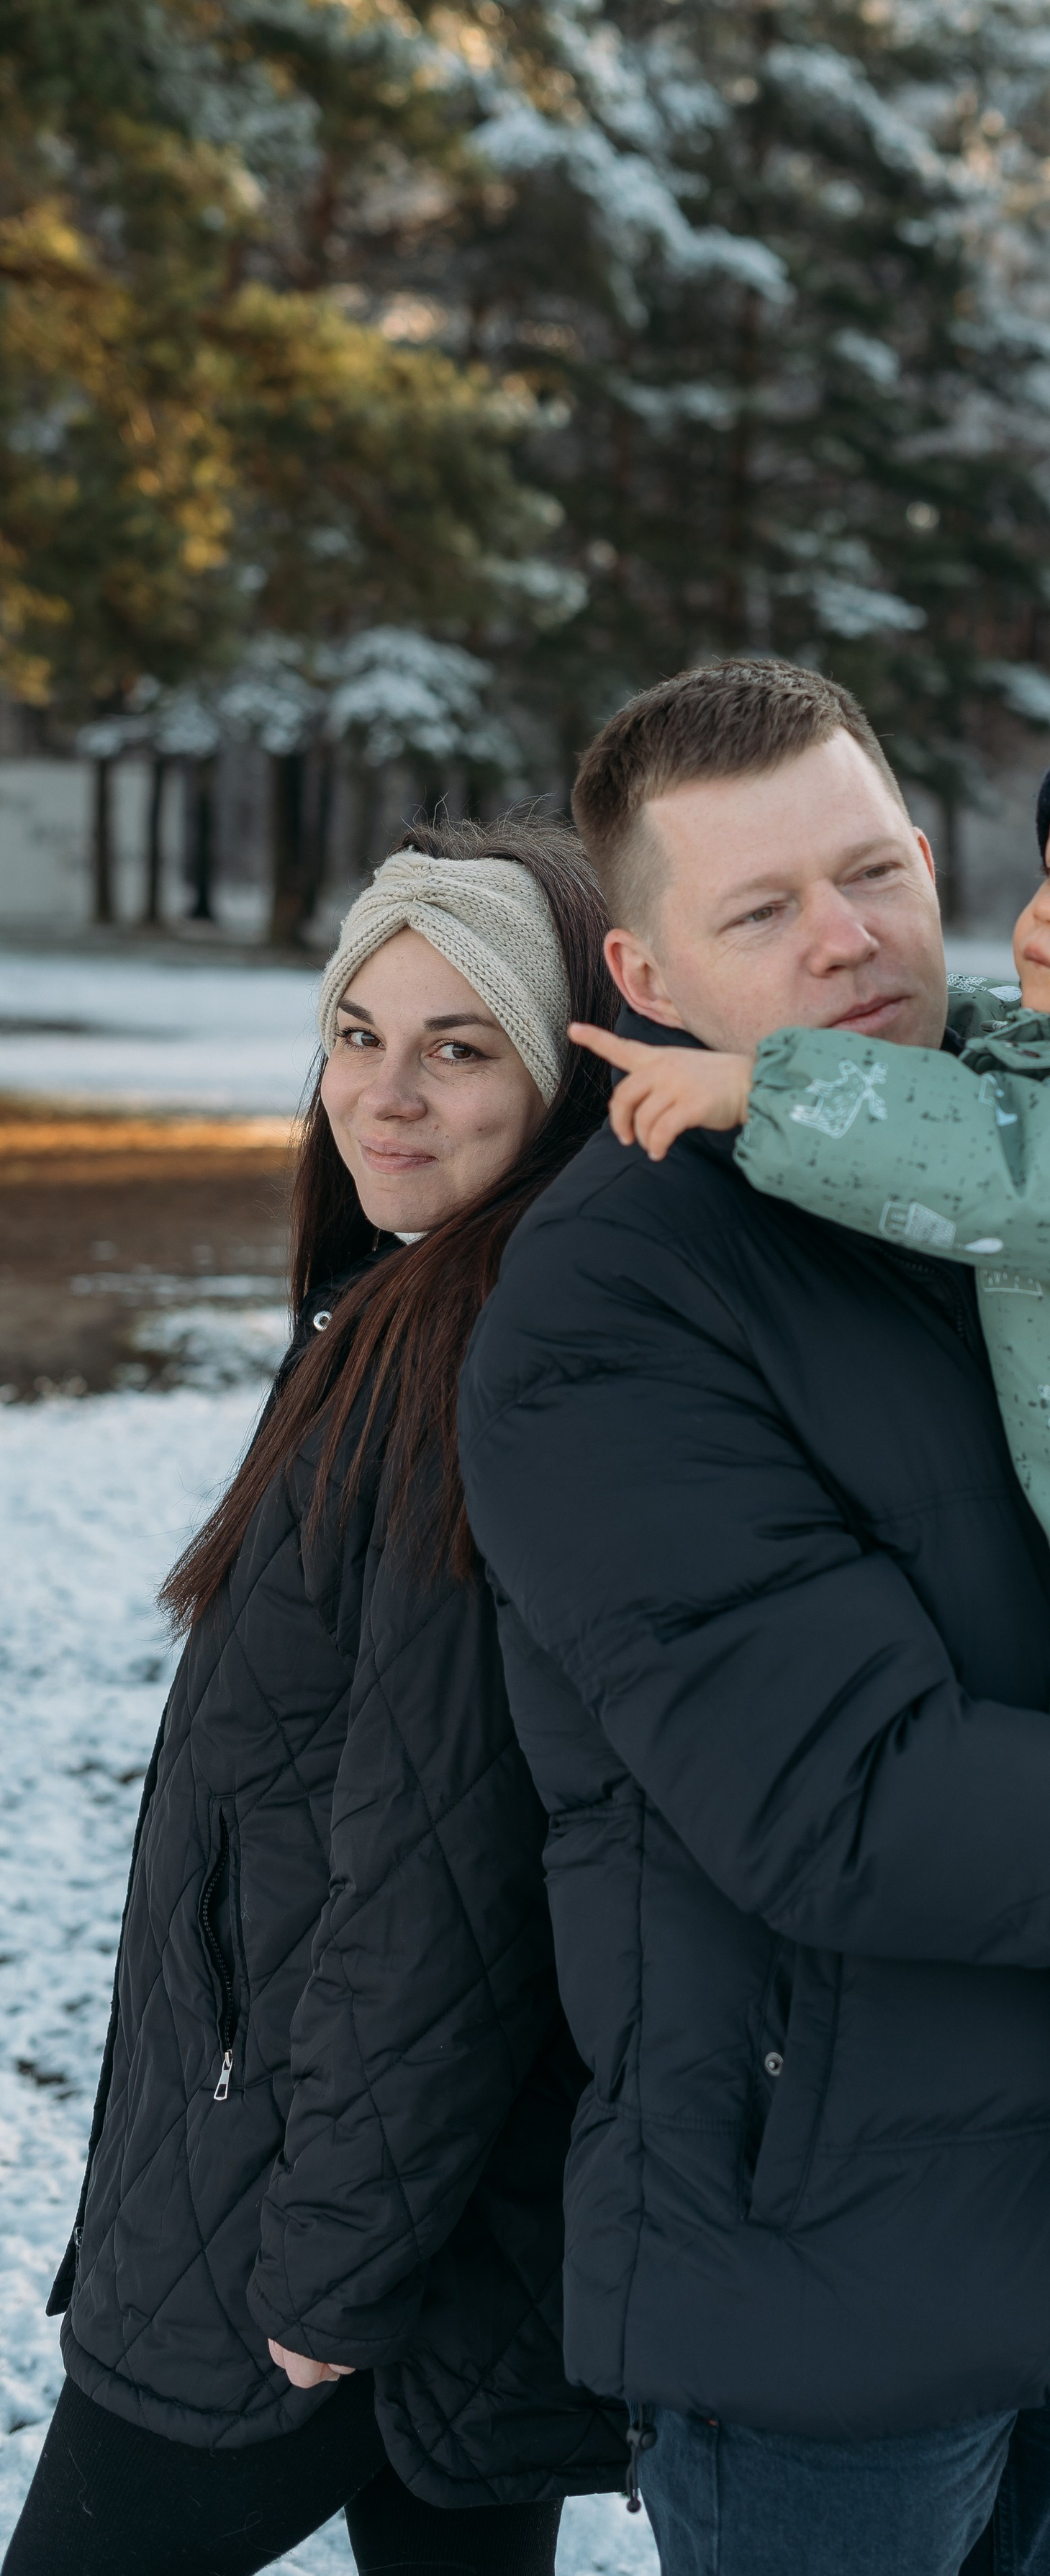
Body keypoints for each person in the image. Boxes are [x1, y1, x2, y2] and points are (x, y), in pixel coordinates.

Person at [457, 658, 1050, 2576]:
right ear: (646, 981)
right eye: (759, 911)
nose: (850, 941)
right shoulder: (609, 1315)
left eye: (874, 869)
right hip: (829, 2307)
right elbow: (852, 1804)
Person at [4, 822, 629, 2576]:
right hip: (389, 2205)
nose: (387, 1097)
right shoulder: (397, 1316)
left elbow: (444, 1872)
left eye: (459, 1046)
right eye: (359, 1034)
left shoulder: (470, 1369)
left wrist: (335, 2266)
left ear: (563, 1070)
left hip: (300, 2233)